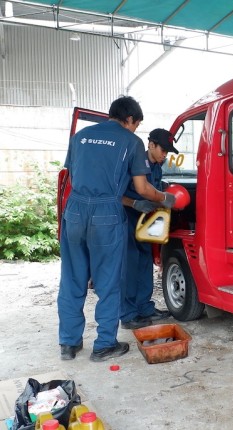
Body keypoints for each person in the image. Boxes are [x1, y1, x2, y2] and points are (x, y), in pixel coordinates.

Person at [57, 96, 176, 362]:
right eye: (136, 124)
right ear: (131, 119)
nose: (135, 130)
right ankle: (104, 345)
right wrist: (165, 198)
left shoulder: (81, 137)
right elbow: (144, 188)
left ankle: (69, 343)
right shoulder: (130, 141)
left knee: (72, 279)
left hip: (75, 210)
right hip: (105, 213)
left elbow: (74, 176)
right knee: (109, 281)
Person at [120, 128, 178, 329]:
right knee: (129, 265)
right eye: (163, 150)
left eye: (168, 152)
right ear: (151, 145)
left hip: (146, 221)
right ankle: (128, 315)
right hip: (127, 218)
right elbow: (115, 195)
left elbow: (155, 192)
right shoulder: (133, 163)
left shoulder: (157, 168)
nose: (165, 155)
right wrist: (134, 204)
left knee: (144, 262)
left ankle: (145, 308)